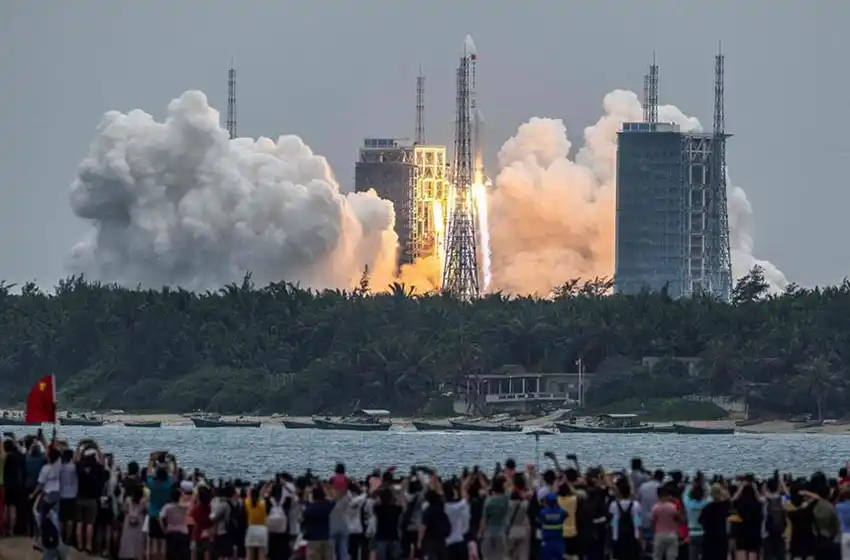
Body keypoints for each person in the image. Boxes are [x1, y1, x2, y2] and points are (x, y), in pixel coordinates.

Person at [119, 484, 146, 560]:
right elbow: (146, 510)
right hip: (139, 521)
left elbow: (124, 509)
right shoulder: (143, 501)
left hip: (128, 521)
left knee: (127, 540)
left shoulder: (128, 499)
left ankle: (127, 555)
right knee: (138, 540)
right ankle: (137, 555)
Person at [245, 484, 270, 560]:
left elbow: (249, 497)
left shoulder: (247, 503)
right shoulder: (263, 504)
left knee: (249, 555)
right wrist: (266, 485)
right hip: (262, 530)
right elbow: (262, 495)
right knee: (261, 555)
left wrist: (249, 491)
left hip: (251, 529)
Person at [538, 493, 567, 560]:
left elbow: (540, 519)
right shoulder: (561, 512)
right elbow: (566, 514)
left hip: (547, 540)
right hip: (558, 539)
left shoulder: (543, 512)